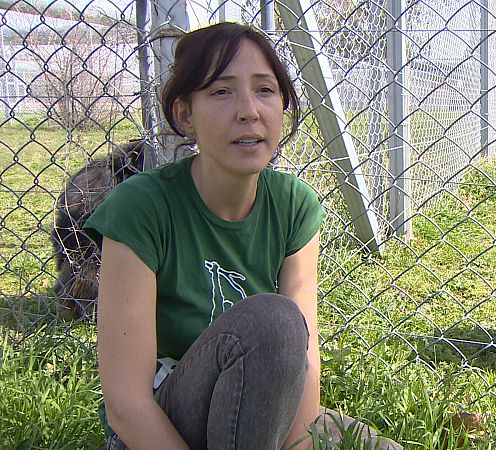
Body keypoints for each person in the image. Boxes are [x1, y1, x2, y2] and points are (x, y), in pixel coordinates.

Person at [85, 22, 323, 449]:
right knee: (274, 321)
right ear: (184, 114)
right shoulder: (140, 207)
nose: (248, 110)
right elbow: (126, 404)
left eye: (265, 90)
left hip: (258, 412)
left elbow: (305, 368)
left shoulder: (294, 206)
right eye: (221, 91)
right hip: (161, 427)